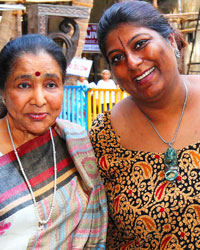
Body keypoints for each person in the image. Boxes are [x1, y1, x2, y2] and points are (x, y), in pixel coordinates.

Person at [89, 0, 200, 249]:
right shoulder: (104, 135)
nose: (133, 62)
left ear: (171, 41)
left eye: (140, 44)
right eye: (117, 58)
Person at [0, 34, 107, 250]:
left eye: (50, 84)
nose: (39, 100)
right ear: (2, 91)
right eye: (23, 85)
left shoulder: (73, 140)